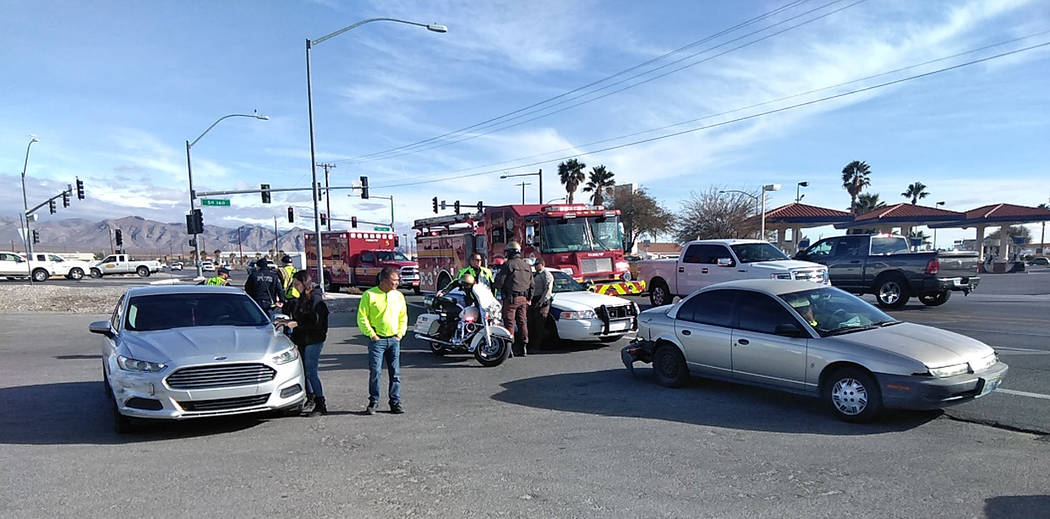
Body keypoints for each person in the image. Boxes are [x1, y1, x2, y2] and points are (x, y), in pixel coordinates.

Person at [357, 266, 408, 415]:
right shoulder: (369, 295)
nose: (396, 283)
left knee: (395, 373)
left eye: (398, 280)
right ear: (384, 280)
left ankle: (395, 402)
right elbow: (362, 317)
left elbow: (403, 317)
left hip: (394, 339)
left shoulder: (398, 296)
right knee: (375, 372)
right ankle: (374, 401)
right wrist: (372, 335)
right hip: (377, 341)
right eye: (394, 280)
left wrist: (400, 334)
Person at [283, 270, 329, 416]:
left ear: (305, 283)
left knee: (311, 371)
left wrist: (297, 324)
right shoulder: (301, 298)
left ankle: (321, 404)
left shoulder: (315, 298)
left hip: (313, 339)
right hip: (302, 339)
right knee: (304, 371)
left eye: (297, 284)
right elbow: (299, 317)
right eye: (294, 284)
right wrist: (286, 322)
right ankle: (311, 398)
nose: (295, 287)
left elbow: (317, 322)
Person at [493, 241, 533, 357]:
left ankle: (509, 348)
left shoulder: (508, 265)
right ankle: (523, 347)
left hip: (511, 299)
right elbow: (532, 285)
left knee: (509, 322)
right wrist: (529, 298)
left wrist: (493, 287)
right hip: (523, 299)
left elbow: (500, 282)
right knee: (522, 322)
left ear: (510, 252)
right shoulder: (526, 266)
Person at [528, 257, 554, 350]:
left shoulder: (546, 274)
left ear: (542, 264)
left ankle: (537, 346)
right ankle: (531, 344)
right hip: (534, 300)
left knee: (539, 325)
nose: (535, 267)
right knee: (532, 324)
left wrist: (542, 301)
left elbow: (548, 289)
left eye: (537, 265)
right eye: (534, 265)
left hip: (542, 302)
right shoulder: (535, 274)